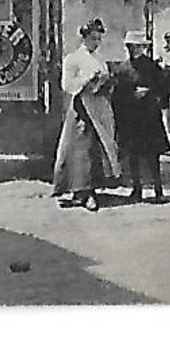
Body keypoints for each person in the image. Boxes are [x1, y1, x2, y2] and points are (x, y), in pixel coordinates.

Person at [53, 18, 120, 211]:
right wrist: (86, 81)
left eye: (99, 39)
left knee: (96, 150)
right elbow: (67, 85)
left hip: (99, 107)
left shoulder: (99, 59)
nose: (96, 43)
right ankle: (80, 191)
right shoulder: (72, 59)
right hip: (82, 107)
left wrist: (106, 83)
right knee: (79, 149)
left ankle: (91, 190)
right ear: (83, 38)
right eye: (93, 38)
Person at [111, 30, 170, 203]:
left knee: (153, 156)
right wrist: (128, 97)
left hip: (149, 116)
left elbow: (164, 87)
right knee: (133, 155)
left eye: (137, 47)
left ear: (143, 48)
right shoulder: (123, 68)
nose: (133, 50)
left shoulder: (152, 67)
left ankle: (158, 190)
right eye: (130, 47)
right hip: (130, 117)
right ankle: (136, 189)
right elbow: (117, 94)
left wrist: (150, 92)